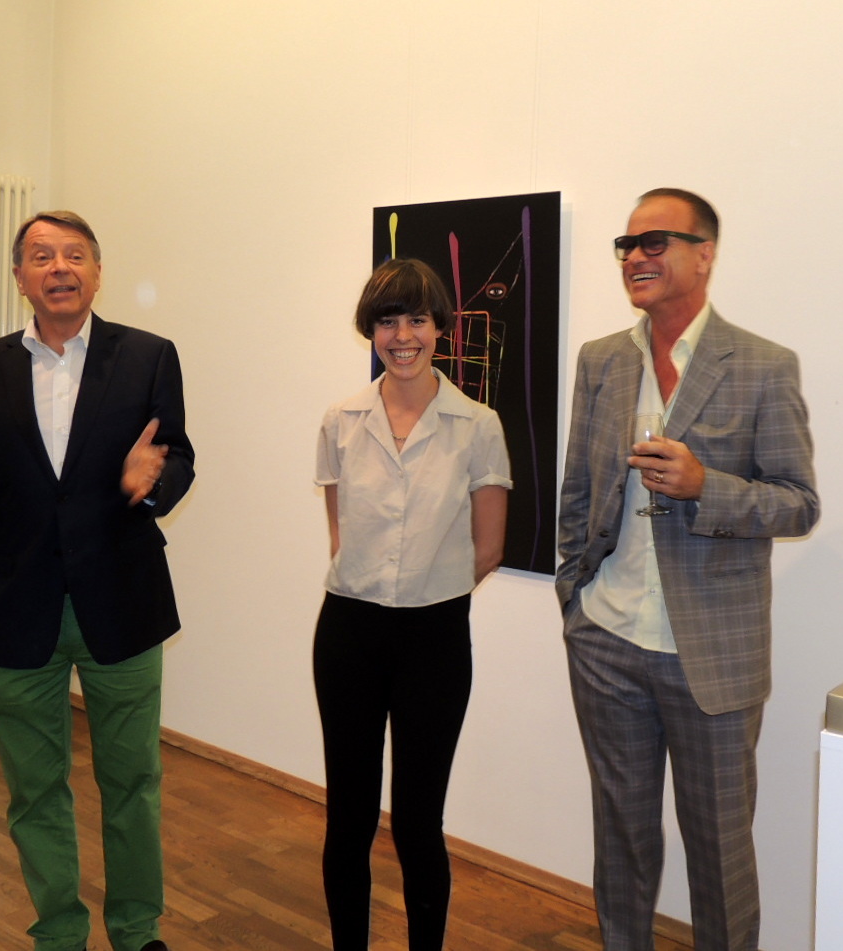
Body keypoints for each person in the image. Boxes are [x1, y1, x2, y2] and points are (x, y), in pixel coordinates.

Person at [0, 210, 194, 951]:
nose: (59, 267)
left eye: (74, 254)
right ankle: (59, 934)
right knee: (34, 790)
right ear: (20, 277)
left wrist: (153, 483)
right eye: (41, 256)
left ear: (97, 271)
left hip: (123, 601)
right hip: (18, 605)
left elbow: (178, 456)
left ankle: (137, 930)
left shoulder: (149, 355)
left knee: (133, 782)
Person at [555, 189, 819, 951]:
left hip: (712, 655)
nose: (635, 257)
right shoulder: (602, 360)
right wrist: (575, 597)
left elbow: (798, 503)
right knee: (622, 840)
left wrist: (707, 486)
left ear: (705, 253)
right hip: (607, 639)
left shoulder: (763, 365)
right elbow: (579, 489)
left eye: (655, 242)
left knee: (719, 851)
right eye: (626, 245)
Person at [312, 258, 511, 951]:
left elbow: (488, 548)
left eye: (417, 320)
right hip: (348, 633)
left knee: (419, 823)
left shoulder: (478, 424)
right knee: (349, 817)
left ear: (439, 328)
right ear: (371, 331)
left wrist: (421, 589)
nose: (403, 336)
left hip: (435, 639)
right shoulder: (341, 420)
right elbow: (341, 533)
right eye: (388, 321)